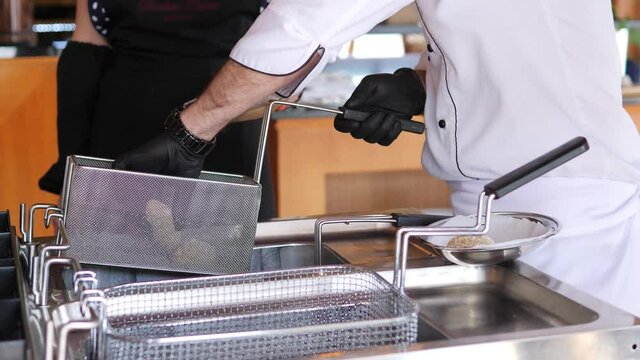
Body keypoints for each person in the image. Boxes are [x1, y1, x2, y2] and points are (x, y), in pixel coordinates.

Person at [113, 1, 640, 316]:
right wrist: (416, 88)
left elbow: (303, 23)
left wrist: (193, 127)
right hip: (523, 204)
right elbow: (508, 40)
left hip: (563, 217)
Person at [38, 0, 276, 220]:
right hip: (221, 122)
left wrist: (70, 173)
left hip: (142, 126)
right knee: (230, 253)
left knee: (118, 254)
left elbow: (84, 58)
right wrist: (71, 174)